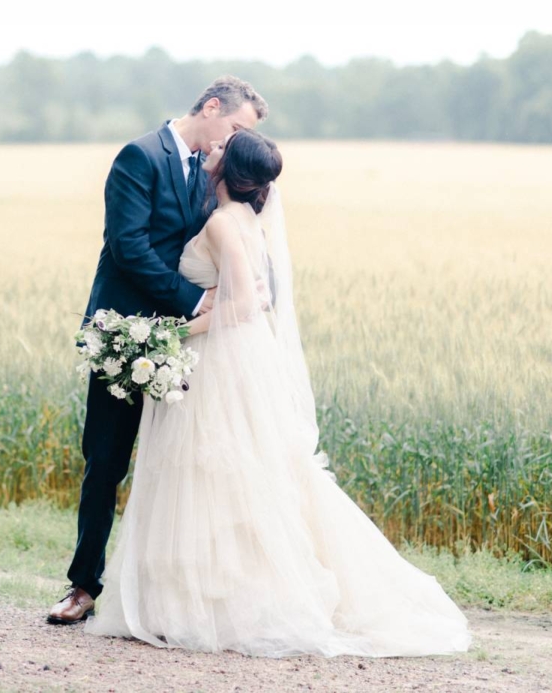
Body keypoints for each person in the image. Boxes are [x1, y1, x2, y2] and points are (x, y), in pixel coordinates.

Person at [82, 129, 472, 656]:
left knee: (209, 472)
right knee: (222, 475)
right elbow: (256, 295)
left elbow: (244, 305)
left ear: (226, 169)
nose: (211, 150)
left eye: (221, 149)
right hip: (230, 359)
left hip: (217, 361)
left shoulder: (222, 224)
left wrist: (166, 335)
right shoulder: (243, 220)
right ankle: (191, 596)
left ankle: (208, 602)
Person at [49, 76, 267, 625]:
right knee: (106, 461)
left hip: (194, 346)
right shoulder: (140, 156)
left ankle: (180, 592)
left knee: (190, 467)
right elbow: (129, 247)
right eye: (237, 127)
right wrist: (194, 301)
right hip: (130, 333)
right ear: (212, 107)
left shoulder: (212, 173)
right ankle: (83, 586)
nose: (235, 141)